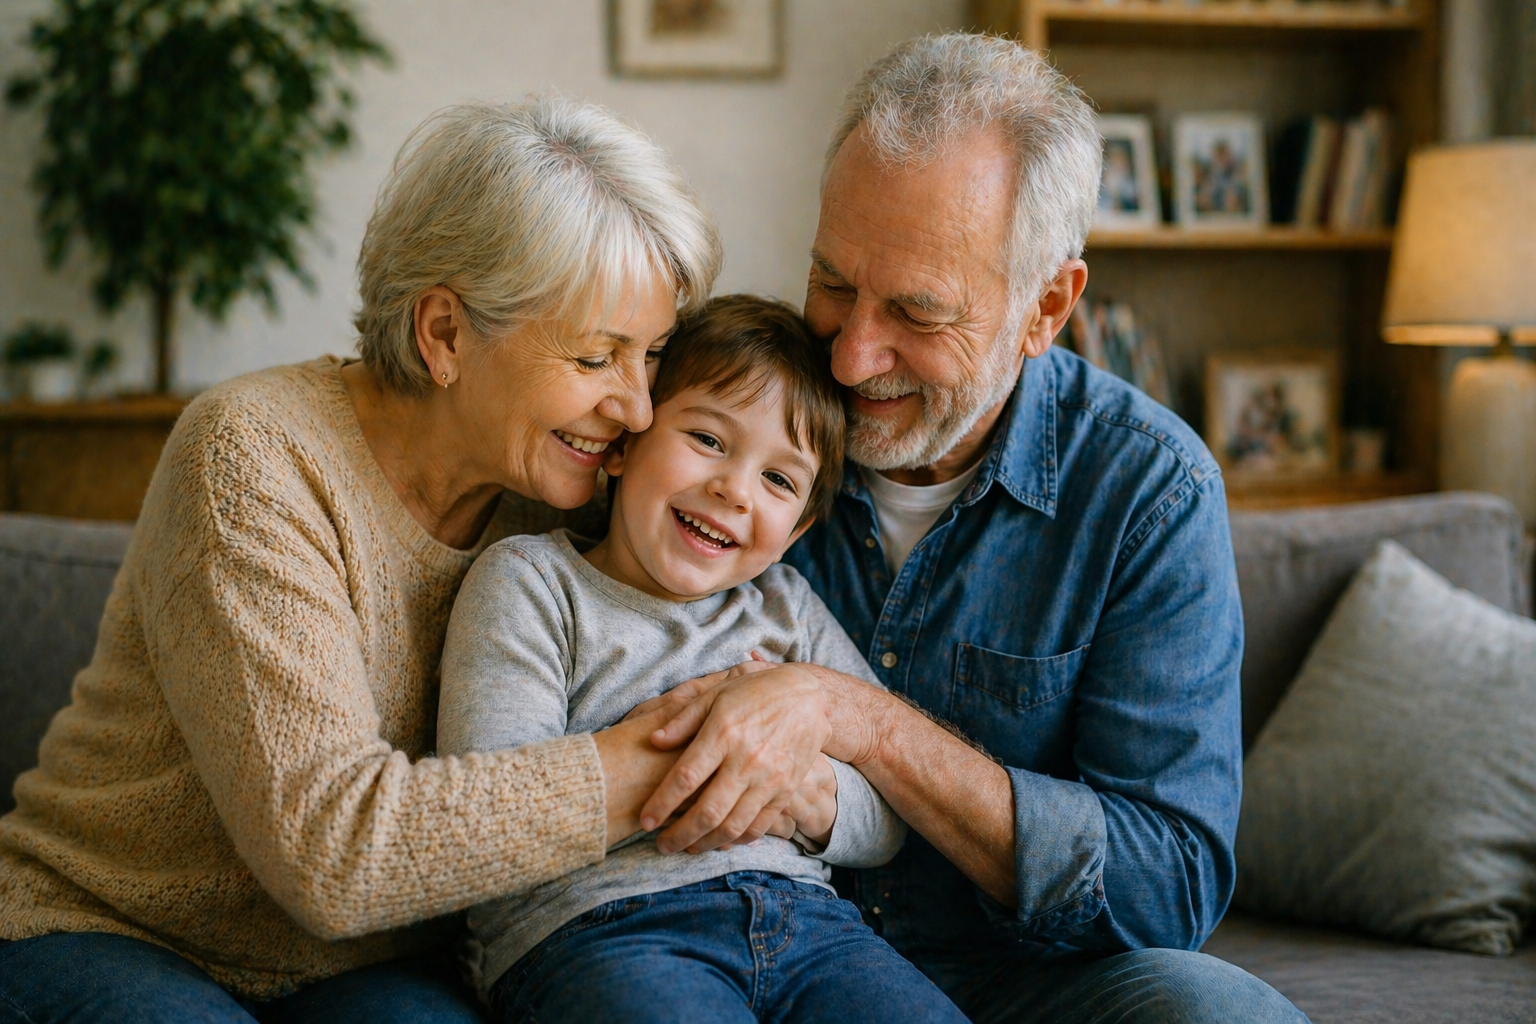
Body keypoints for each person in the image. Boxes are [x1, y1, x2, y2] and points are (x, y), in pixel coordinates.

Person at [0, 97, 747, 1023]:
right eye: (597, 359)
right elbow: (334, 856)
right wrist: (663, 768)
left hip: (365, 962)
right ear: (445, 334)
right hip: (108, 926)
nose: (635, 409)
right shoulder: (250, 453)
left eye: (653, 356)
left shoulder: (575, 486)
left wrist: (806, 709)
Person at [627, 35, 1310, 1024]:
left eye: (917, 312)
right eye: (833, 282)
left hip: (1018, 980)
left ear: (1046, 308)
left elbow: (1168, 882)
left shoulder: (1149, 490)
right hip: (742, 949)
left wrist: (861, 721)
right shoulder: (722, 426)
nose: (852, 359)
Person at [436, 295, 967, 1024]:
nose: (734, 489)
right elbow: (485, 820)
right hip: (605, 929)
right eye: (709, 439)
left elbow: (888, 812)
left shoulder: (788, 608)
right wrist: (703, 760)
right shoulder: (533, 584)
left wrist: (807, 792)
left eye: (779, 480)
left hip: (814, 929)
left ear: (797, 529)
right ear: (624, 443)